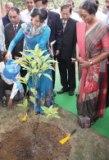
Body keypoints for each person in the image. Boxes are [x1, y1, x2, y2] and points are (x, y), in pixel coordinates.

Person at [7, 8, 53, 114]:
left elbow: (40, 46)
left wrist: (25, 58)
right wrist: (9, 51)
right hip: (30, 61)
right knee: (32, 83)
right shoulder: (25, 27)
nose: (38, 24)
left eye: (40, 22)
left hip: (41, 60)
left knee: (43, 83)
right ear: (31, 17)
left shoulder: (46, 29)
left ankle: (44, 107)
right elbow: (14, 41)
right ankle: (35, 106)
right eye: (36, 20)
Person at [76, 1, 109, 128]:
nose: (82, 18)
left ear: (93, 13)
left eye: (84, 15)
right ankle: (82, 113)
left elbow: (107, 51)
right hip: (83, 64)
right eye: (80, 16)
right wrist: (79, 55)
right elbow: (78, 42)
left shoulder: (102, 27)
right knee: (82, 89)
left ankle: (90, 116)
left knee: (92, 91)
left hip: (96, 66)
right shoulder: (81, 25)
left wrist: (90, 62)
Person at [34, 0, 63, 89]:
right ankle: (40, 88)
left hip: (51, 48)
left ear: (46, 4)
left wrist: (58, 48)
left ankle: (51, 89)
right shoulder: (35, 16)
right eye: (37, 7)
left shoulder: (55, 16)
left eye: (41, 7)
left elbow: (59, 33)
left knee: (51, 70)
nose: (39, 10)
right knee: (39, 69)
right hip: (37, 49)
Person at [57, 5, 76, 96]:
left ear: (70, 13)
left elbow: (76, 41)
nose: (64, 15)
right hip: (59, 52)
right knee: (62, 71)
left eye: (67, 13)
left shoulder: (75, 23)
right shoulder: (57, 22)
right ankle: (64, 87)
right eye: (63, 13)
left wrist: (74, 55)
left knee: (71, 71)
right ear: (60, 12)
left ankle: (72, 88)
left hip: (70, 53)